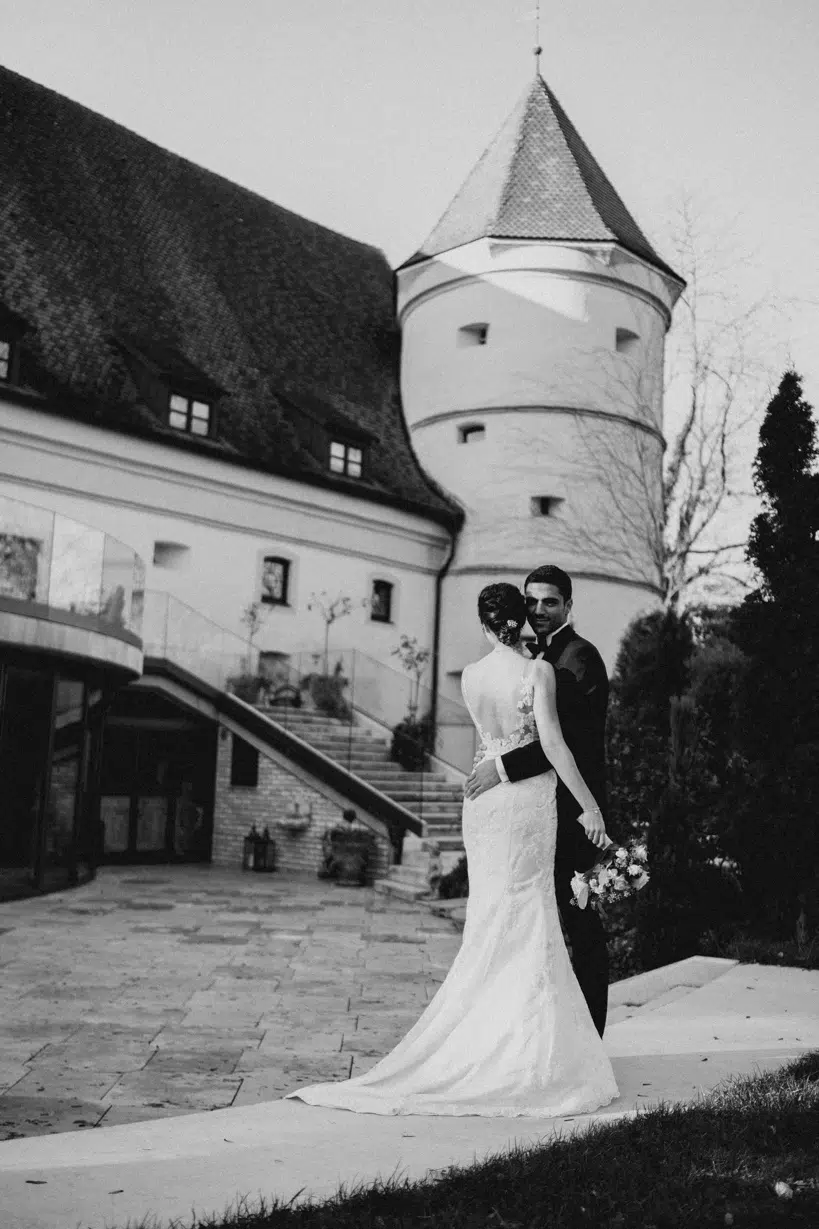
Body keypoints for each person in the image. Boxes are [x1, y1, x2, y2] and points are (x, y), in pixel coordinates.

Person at [284, 583, 618, 1117]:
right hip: (527, 805)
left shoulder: (472, 676)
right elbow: (555, 746)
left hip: (483, 805)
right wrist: (591, 808)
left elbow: (488, 745)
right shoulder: (539, 671)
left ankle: (482, 1038)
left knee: (491, 921)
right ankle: (523, 1050)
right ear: (520, 620)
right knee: (529, 918)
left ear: (486, 626)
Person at [464, 564, 611, 1036]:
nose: (540, 611)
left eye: (551, 602)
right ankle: (530, 1035)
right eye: (532, 602)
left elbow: (573, 740)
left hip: (567, 814)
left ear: (569, 605)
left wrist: (500, 766)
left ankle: (590, 1039)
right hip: (526, 811)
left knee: (580, 927)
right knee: (528, 925)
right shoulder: (530, 660)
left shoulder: (580, 658)